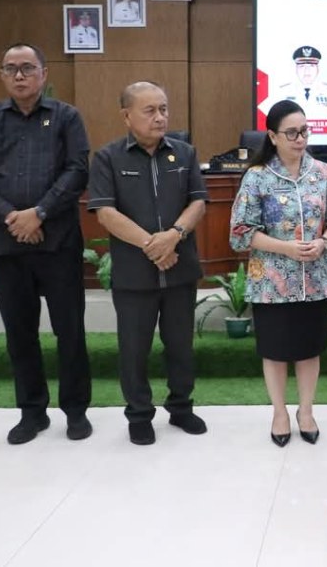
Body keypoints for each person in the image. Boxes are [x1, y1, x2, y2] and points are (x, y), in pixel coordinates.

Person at [0, 43, 92, 445]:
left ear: (44, 74)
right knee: (20, 334)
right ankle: (32, 413)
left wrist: (39, 213)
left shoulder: (67, 117)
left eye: (27, 68)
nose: (19, 75)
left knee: (70, 331)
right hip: (7, 244)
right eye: (11, 68)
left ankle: (75, 412)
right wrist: (13, 217)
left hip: (59, 242)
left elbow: (77, 170)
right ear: (2, 75)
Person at [87, 81, 209, 446]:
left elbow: (198, 202)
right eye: (150, 110)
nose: (160, 117)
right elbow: (105, 212)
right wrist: (153, 245)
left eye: (164, 109)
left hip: (179, 268)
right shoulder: (108, 158)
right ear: (127, 116)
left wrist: (174, 235)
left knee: (181, 346)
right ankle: (139, 414)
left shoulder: (184, 153)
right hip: (134, 273)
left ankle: (181, 407)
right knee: (134, 349)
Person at [229, 100, 327, 447]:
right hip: (271, 282)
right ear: (273, 136)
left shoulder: (322, 172)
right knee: (275, 350)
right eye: (292, 133)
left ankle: (306, 411)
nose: (300, 139)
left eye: (304, 131)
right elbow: (239, 233)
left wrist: (324, 241)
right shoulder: (257, 177)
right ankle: (280, 412)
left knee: (309, 348)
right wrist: (285, 248)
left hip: (315, 279)